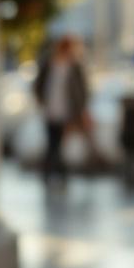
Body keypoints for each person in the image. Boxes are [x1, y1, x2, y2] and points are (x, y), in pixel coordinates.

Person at [32, 34, 90, 184]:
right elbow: (39, 84)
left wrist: (81, 109)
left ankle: (59, 173)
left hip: (67, 111)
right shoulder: (49, 64)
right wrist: (40, 100)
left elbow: (81, 90)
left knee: (60, 144)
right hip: (51, 109)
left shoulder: (75, 67)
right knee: (52, 142)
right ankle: (52, 173)